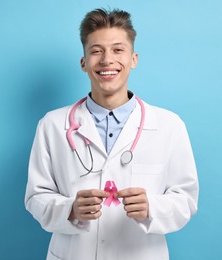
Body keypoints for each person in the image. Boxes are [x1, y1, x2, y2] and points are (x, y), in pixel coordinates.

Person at [24, 8, 199, 260]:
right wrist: (70, 209)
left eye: (118, 50)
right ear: (84, 62)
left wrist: (152, 207)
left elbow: (186, 200)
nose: (107, 60)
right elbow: (36, 197)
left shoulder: (169, 125)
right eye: (96, 51)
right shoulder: (52, 124)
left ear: (133, 59)